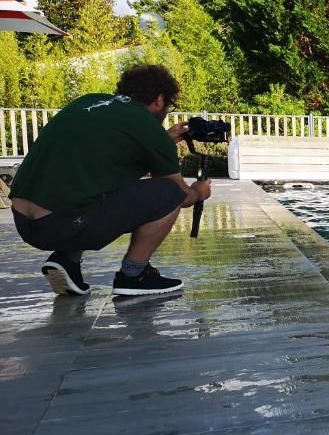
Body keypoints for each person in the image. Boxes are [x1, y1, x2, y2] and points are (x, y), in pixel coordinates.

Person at [9, 64, 212, 297]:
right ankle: (134, 275)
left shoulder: (89, 101)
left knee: (92, 187)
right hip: (61, 224)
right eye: (168, 104)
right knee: (168, 192)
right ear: (159, 99)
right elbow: (180, 195)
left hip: (25, 221)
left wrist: (164, 140)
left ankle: (67, 260)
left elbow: (108, 159)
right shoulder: (147, 126)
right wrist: (198, 191)